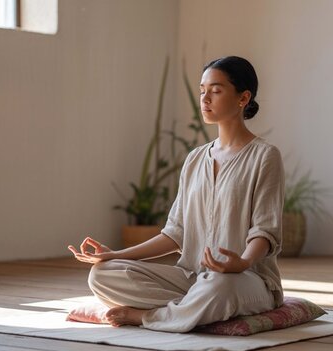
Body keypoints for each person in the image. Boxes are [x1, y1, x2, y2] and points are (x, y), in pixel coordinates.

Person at [68, 56, 285, 333]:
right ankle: (193, 309)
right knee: (101, 275)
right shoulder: (195, 159)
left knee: (219, 286)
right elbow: (175, 233)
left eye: (216, 91)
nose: (205, 98)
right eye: (202, 90)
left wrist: (241, 262)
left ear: (243, 98)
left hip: (244, 278)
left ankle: (145, 317)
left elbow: (265, 231)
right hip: (191, 278)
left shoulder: (265, 156)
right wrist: (116, 255)